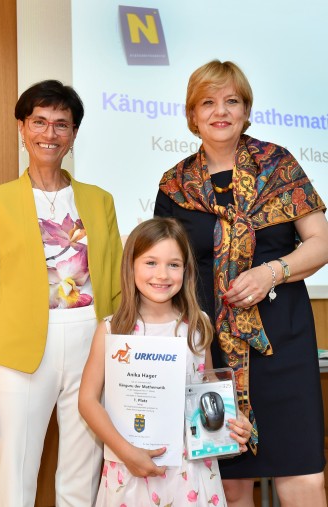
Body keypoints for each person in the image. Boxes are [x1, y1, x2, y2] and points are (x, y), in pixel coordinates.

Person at [154, 60, 328, 507]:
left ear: (246, 111)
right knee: (229, 484)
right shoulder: (175, 185)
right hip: (209, 346)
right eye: (208, 102)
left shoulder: (279, 166)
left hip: (282, 339)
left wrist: (272, 271)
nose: (221, 111)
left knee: (303, 475)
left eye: (232, 101)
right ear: (192, 115)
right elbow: (164, 268)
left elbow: (321, 243)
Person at [0, 80, 122, 507]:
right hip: (19, 357)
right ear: (22, 128)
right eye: (39, 122)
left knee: (81, 479)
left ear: (74, 135)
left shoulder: (100, 200)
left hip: (93, 350)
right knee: (14, 482)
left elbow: (116, 286)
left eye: (61, 125)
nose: (49, 134)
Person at [78, 217, 252, 507]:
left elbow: (206, 386)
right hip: (129, 466)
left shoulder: (197, 326)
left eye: (174, 264)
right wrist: (125, 451)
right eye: (150, 263)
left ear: (186, 270)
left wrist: (234, 423)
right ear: (130, 264)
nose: (162, 274)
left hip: (190, 472)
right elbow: (87, 400)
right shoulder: (111, 331)